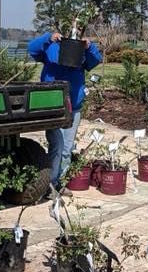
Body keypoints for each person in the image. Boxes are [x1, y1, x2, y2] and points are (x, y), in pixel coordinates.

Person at [27, 30, 103, 190]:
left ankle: (60, 183)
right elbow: (32, 49)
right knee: (57, 145)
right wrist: (48, 38)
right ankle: (50, 184)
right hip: (52, 107)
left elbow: (95, 60)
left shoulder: (80, 49)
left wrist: (89, 47)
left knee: (67, 149)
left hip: (73, 107)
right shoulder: (51, 46)